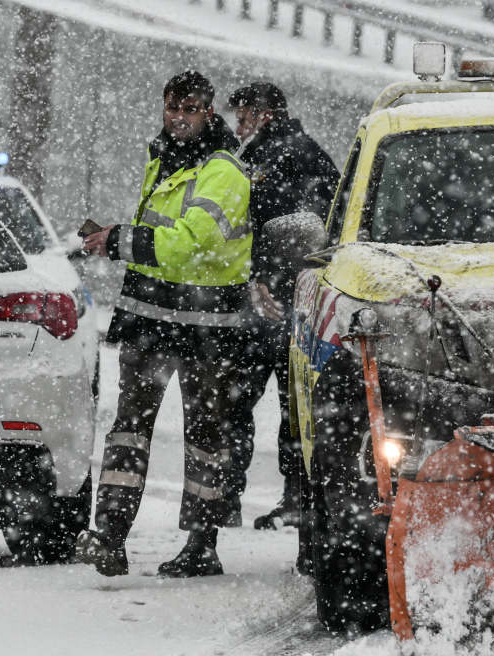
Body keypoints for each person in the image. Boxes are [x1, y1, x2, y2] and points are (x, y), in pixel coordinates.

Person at [75, 70, 251, 578]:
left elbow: (189, 243)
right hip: (150, 319)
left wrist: (119, 240)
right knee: (129, 429)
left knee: (204, 436)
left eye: (190, 108)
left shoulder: (224, 172)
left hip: (205, 326)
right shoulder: (163, 157)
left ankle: (202, 544)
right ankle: (110, 533)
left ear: (208, 112)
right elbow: (164, 238)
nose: (179, 117)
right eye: (173, 106)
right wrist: (120, 240)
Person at [225, 81, 339, 530]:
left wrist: (269, 278)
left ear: (264, 115)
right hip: (270, 303)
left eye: (244, 115)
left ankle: (284, 500)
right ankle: (277, 500)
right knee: (274, 407)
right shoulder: (259, 156)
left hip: (285, 305)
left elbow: (304, 229)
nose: (238, 124)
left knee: (282, 408)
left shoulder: (291, 155)